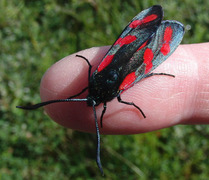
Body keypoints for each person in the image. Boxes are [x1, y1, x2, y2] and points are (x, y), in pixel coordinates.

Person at [39, 43, 209, 134]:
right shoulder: (96, 84)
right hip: (126, 61)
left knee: (140, 70)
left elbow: (93, 74)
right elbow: (92, 72)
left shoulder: (101, 91)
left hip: (126, 65)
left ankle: (153, 64)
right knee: (141, 66)